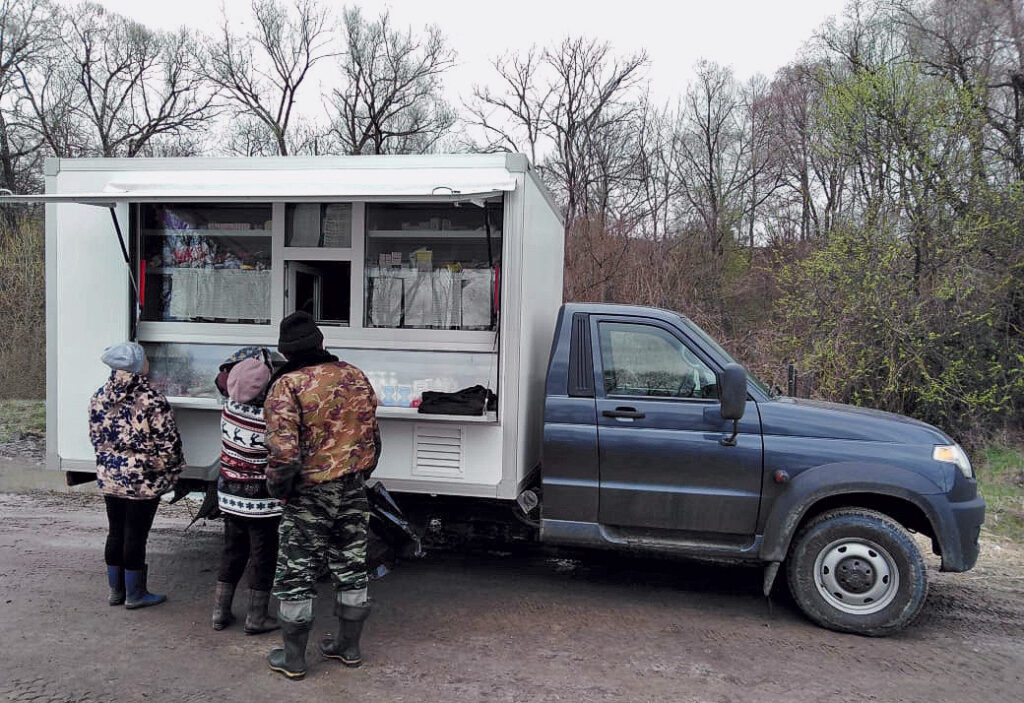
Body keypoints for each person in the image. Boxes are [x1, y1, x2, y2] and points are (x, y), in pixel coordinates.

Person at [263, 311, 380, 680]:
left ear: (286, 353)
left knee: (297, 570)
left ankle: (294, 658)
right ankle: (349, 646)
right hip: (353, 486)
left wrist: (280, 489)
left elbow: (283, 454)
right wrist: (359, 473)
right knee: (351, 565)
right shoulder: (354, 374)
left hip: (310, 491)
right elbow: (373, 436)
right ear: (321, 343)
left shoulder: (287, 386)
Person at [88, 341, 183, 609]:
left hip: (110, 475)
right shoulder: (152, 400)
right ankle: (135, 594)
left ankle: (116, 592)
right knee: (135, 535)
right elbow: (169, 443)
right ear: (138, 366)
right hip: (143, 478)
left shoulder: (99, 396)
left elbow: (95, 437)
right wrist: (173, 469)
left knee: (115, 530)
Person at [210, 347, 282, 635]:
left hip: (229, 494)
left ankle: (219, 612)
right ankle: (256, 617)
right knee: (262, 556)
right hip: (259, 501)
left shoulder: (228, 409)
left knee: (232, 551)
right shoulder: (267, 419)